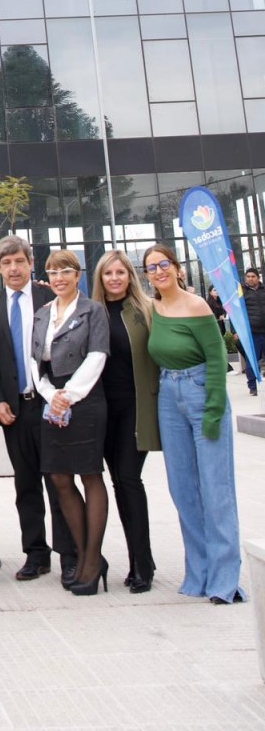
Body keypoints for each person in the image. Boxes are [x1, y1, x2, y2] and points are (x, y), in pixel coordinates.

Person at [144, 244, 245, 604]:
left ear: (177, 267)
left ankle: (224, 580)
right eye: (151, 267)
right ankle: (198, 573)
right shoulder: (152, 309)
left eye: (163, 264)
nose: (158, 271)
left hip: (202, 393)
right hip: (169, 397)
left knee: (216, 490)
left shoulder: (197, 305)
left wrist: (216, 409)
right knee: (183, 489)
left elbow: (217, 358)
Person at [0, 236, 76, 584]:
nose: (14, 268)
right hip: (13, 409)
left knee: (60, 481)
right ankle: (36, 554)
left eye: (19, 261)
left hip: (51, 406)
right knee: (26, 484)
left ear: (31, 263)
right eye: (6, 263)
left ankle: (70, 555)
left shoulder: (53, 298)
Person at [30, 250, 110, 596]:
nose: (59, 277)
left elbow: (97, 355)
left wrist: (70, 395)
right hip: (52, 403)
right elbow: (35, 361)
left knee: (89, 476)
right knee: (60, 479)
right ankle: (81, 552)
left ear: (78, 275)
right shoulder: (42, 314)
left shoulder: (93, 310)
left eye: (66, 271)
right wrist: (51, 395)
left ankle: (92, 561)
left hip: (85, 400)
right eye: (53, 271)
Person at [91, 251, 160, 592]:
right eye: (108, 273)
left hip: (136, 408)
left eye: (121, 272)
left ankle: (143, 564)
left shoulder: (146, 310)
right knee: (118, 482)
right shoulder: (93, 313)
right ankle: (137, 560)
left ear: (130, 276)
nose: (115, 278)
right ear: (100, 279)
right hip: (104, 411)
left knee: (130, 479)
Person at [236, 267, 265, 396]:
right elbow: (236, 312)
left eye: (253, 276)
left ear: (258, 278)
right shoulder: (241, 292)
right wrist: (236, 330)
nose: (250, 279)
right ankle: (252, 386)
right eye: (248, 276)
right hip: (252, 331)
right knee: (252, 359)